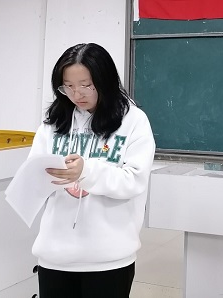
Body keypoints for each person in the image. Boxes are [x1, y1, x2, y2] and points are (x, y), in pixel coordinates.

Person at [29, 43, 156, 297]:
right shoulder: (54, 123)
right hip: (55, 256)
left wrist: (86, 172)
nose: (77, 94)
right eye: (68, 86)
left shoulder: (133, 121)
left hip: (108, 259)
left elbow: (134, 180)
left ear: (104, 80)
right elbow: (35, 172)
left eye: (86, 85)